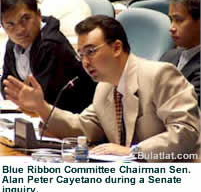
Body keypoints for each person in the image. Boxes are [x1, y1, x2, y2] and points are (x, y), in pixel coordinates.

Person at [4, 15, 200, 162]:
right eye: (81, 55)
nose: (85, 62)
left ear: (116, 48)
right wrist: (41, 107)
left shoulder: (160, 75)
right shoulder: (105, 88)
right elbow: (83, 127)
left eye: (91, 52)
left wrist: (135, 151)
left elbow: (186, 132)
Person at [0, 0, 96, 113]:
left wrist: (22, 93)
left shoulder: (50, 44)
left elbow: (41, 96)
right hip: (41, 114)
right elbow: (6, 87)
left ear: (39, 15)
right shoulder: (12, 44)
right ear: (3, 26)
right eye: (10, 24)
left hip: (74, 115)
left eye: (25, 19)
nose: (20, 30)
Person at [160, 0, 200, 106]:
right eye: (171, 20)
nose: (171, 28)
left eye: (179, 20)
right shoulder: (168, 56)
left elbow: (188, 106)